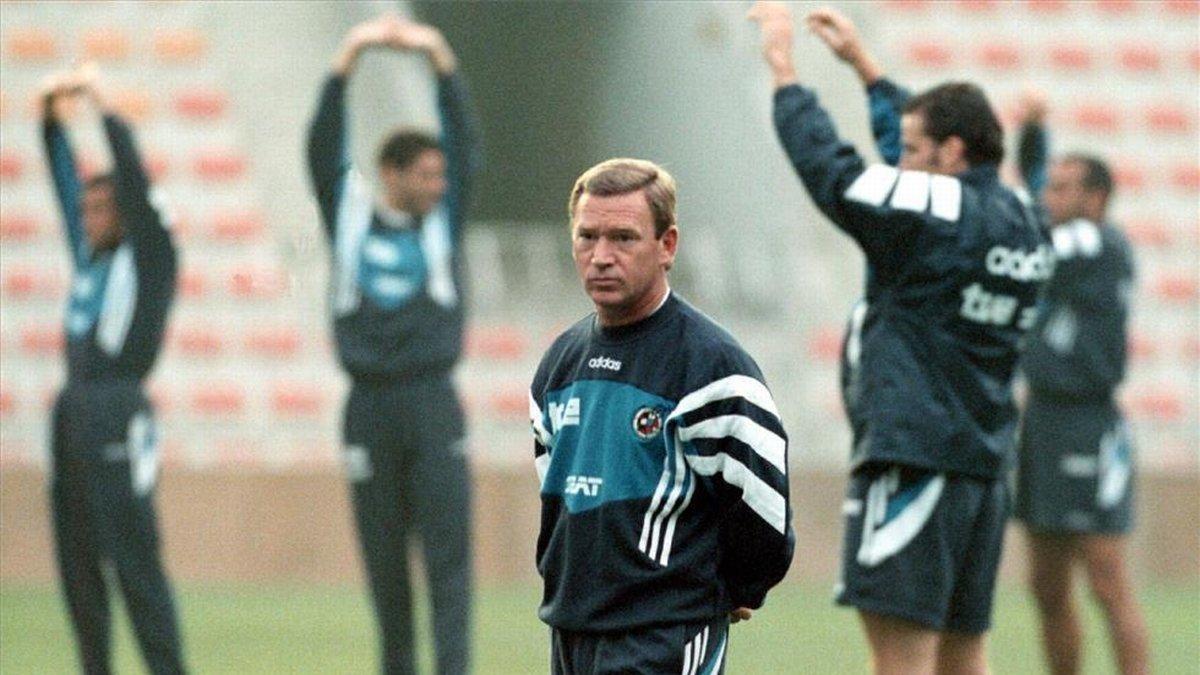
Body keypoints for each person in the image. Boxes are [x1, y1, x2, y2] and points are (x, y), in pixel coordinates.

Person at [749, 3, 1050, 674]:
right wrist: (866, 68)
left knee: (901, 659)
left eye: (915, 150)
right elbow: (912, 176)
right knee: (964, 652)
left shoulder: (933, 211)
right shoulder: (1025, 217)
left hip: (916, 457)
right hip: (982, 467)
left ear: (953, 152)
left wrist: (783, 66)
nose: (903, 161)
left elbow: (835, 173)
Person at [529, 158, 794, 674]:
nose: (601, 256)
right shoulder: (558, 364)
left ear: (667, 245)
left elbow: (764, 505)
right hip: (573, 628)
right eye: (587, 237)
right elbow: (556, 495)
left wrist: (738, 587)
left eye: (623, 238)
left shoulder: (713, 366)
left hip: (665, 629)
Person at [306, 15, 481, 675]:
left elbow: (465, 146)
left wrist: (440, 58)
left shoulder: (442, 223)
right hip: (368, 407)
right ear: (391, 171)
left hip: (435, 404)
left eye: (442, 176)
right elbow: (322, 147)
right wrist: (345, 61)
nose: (438, 185)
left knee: (449, 566)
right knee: (385, 571)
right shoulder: (350, 218)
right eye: (425, 175)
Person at [40, 64, 186, 674]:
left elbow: (131, 177)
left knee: (134, 562)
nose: (90, 216)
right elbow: (60, 180)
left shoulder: (149, 255)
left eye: (102, 207)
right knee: (77, 567)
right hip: (71, 412)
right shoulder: (90, 256)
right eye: (88, 208)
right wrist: (50, 123)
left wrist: (103, 108)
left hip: (118, 407)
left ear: (126, 211)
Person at [1015, 146, 1150, 674]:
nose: (1051, 197)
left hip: (1090, 423)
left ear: (1096, 198)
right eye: (1049, 186)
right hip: (1042, 424)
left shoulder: (1101, 243)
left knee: (1105, 576)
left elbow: (1041, 244)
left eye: (1064, 187)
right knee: (1046, 586)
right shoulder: (1061, 260)